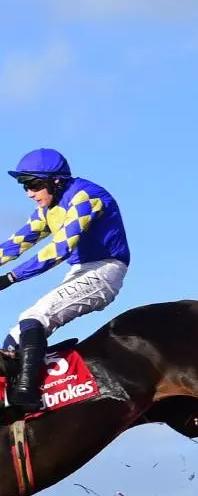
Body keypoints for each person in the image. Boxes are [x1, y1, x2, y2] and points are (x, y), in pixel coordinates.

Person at [0, 148, 130, 411]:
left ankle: (28, 395)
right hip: (80, 271)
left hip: (105, 271)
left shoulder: (87, 197)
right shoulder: (48, 207)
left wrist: (12, 277)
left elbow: (60, 249)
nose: (29, 193)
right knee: (11, 342)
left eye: (34, 185)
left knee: (33, 317)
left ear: (56, 181)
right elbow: (17, 242)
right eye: (24, 186)